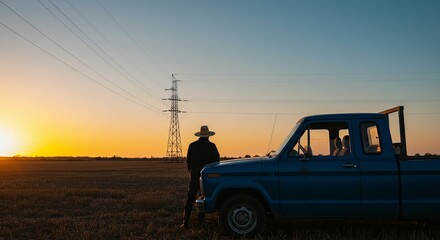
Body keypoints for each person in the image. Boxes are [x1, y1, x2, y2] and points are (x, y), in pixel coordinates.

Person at [181, 125, 220, 229]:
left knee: (190, 198)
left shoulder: (192, 145)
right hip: (206, 176)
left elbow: (188, 162)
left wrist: (192, 172)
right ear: (208, 136)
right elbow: (217, 161)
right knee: (203, 197)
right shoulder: (212, 146)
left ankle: (185, 222)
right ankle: (200, 222)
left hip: (194, 175)